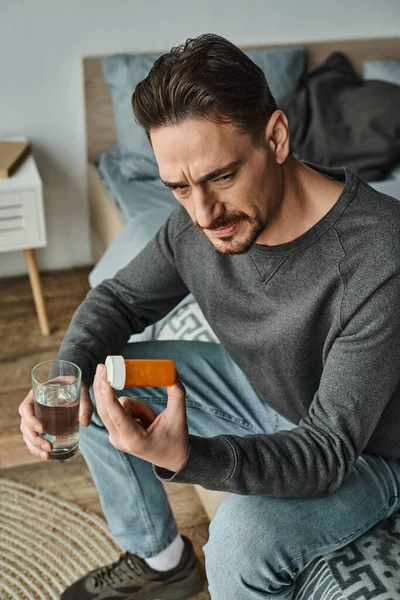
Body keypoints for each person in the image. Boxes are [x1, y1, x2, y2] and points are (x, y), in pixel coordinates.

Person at [19, 33, 400, 600]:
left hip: (368, 449)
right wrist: (65, 373)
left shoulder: (379, 256)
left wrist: (186, 456)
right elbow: (119, 300)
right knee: (99, 381)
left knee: (240, 541)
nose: (204, 213)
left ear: (274, 136)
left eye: (222, 176)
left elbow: (323, 453)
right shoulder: (194, 223)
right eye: (177, 187)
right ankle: (163, 561)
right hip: (268, 394)